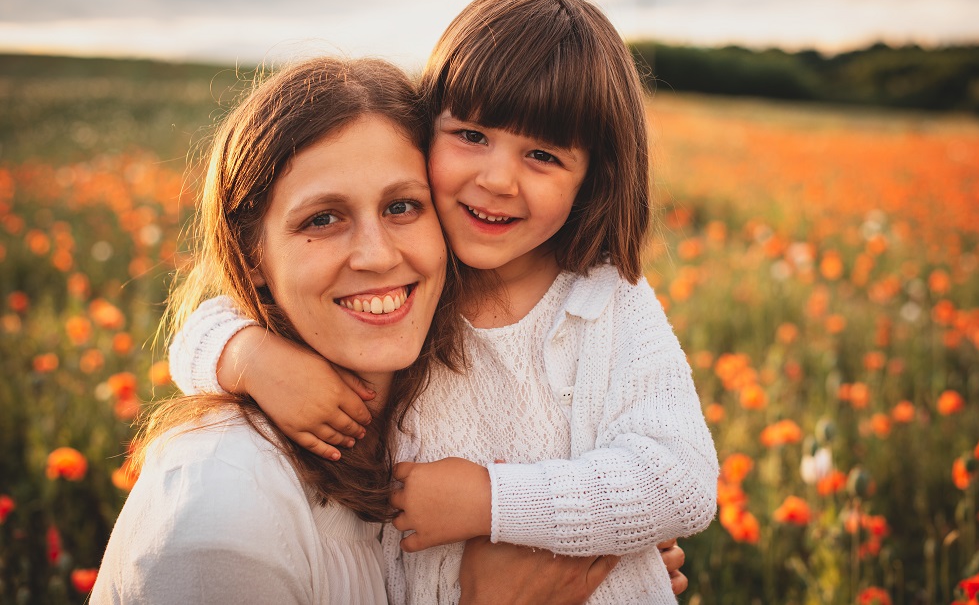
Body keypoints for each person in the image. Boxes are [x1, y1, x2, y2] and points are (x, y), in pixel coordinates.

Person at [170, 0, 718, 604]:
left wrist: (487, 500)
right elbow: (210, 320)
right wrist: (252, 360)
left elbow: (683, 482)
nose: (497, 179)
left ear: (595, 176)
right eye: (472, 135)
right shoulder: (418, 283)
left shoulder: (606, 304)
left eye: (541, 155)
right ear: (427, 128)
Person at [93, 56, 617, 604]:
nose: (375, 255)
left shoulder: (450, 402)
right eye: (323, 218)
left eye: (402, 206)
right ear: (252, 257)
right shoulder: (224, 513)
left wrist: (613, 562)